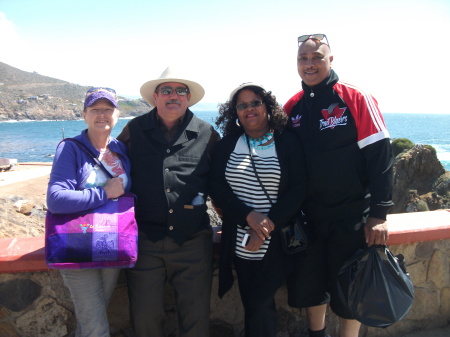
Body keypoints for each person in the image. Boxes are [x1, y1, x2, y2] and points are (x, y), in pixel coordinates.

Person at [284, 34, 394, 337]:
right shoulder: (291, 106)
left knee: (350, 288)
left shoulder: (356, 98)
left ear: (330, 60)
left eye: (317, 57)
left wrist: (379, 214)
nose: (309, 64)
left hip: (351, 214)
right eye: (303, 58)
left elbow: (381, 157)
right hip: (308, 217)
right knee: (311, 286)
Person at [117, 67, 220, 337]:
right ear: (155, 96)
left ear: (188, 97)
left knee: (196, 320)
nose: (173, 95)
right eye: (166, 90)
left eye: (180, 90)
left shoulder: (207, 133)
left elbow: (220, 185)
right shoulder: (134, 130)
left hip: (193, 241)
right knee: (145, 319)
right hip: (145, 240)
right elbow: (111, 169)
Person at [209, 83, 307, 337]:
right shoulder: (229, 144)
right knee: (253, 303)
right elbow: (217, 187)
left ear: (268, 107)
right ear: (235, 113)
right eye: (242, 105)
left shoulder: (287, 142)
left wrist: (264, 229)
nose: (249, 109)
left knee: (260, 304)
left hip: (276, 238)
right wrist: (247, 215)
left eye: (255, 103)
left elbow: (297, 190)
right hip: (241, 240)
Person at [47, 87, 131, 337]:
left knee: (91, 319)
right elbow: (55, 199)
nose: (101, 114)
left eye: (107, 109)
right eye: (95, 109)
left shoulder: (120, 149)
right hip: (76, 244)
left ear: (117, 114)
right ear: (84, 114)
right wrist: (104, 193)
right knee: (95, 326)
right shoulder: (70, 148)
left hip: (110, 240)